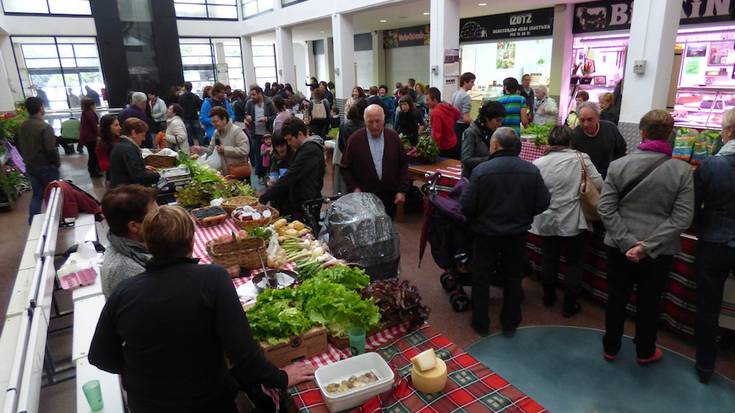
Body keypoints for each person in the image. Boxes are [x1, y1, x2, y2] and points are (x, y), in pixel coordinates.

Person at [89, 205, 316, 413]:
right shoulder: (213, 277)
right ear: (191, 239)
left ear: (146, 243)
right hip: (207, 402)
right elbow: (242, 350)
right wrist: (281, 378)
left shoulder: (124, 292)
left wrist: (149, 372)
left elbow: (100, 357)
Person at [598, 109, 693, 366]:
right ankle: (645, 351)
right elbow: (682, 218)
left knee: (617, 298)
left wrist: (628, 242)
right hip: (658, 252)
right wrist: (646, 246)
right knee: (650, 304)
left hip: (619, 247)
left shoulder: (618, 166)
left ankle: (611, 346)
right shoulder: (682, 171)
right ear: (670, 134)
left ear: (641, 132)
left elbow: (605, 208)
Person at [460, 127, 550, 336]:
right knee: (513, 277)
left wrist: (477, 219)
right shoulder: (531, 170)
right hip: (517, 234)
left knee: (481, 277)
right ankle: (510, 322)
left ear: (495, 145)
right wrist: (525, 215)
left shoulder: (482, 170)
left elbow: (467, 204)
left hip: (486, 233)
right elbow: (543, 202)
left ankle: (480, 322)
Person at [531, 126, 603, 316]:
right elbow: (599, 184)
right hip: (574, 219)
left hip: (546, 218)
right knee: (574, 264)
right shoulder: (581, 158)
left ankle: (548, 297)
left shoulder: (538, 162)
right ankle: (569, 306)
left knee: (549, 259)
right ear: (570, 142)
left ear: (550, 141)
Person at [693, 108, 735, 384]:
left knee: (708, 307)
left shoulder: (711, 165)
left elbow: (694, 207)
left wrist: (700, 227)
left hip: (714, 242)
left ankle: (705, 367)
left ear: (729, 131)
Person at [340, 104, 409, 218]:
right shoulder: (355, 139)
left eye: (378, 121)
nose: (374, 125)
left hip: (389, 196)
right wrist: (354, 188)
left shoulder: (393, 137)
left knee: (386, 230)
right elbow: (345, 167)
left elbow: (403, 164)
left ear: (384, 119)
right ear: (364, 121)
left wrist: (402, 190)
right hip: (364, 198)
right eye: (370, 121)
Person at [259, 117, 325, 219]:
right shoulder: (305, 148)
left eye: (290, 139)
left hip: (308, 202)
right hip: (304, 201)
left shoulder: (309, 150)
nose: (289, 143)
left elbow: (290, 176)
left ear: (299, 134)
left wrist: (264, 198)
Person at [100, 185, 157, 298]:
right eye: (155, 216)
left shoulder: (126, 245)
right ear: (134, 226)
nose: (161, 220)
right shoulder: (129, 271)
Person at [16, 97, 60, 224]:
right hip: (46, 166)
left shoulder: (22, 126)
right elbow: (50, 149)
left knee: (37, 195)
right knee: (53, 195)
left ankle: (34, 222)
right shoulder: (45, 127)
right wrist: (56, 163)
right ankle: (54, 221)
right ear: (41, 108)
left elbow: (18, 145)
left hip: (30, 166)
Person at [572, 101, 627, 178]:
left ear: (598, 117)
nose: (586, 124)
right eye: (582, 120)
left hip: (609, 177)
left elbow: (621, 152)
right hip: (586, 180)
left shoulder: (610, 128)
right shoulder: (575, 134)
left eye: (590, 119)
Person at [193, 107, 250, 178]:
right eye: (212, 122)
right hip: (225, 173)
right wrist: (201, 149)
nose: (213, 124)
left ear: (224, 119)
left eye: (216, 121)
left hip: (239, 171)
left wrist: (225, 149)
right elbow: (210, 150)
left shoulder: (236, 131)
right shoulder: (216, 133)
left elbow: (245, 150)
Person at [109, 118, 160, 188]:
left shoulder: (121, 144)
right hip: (128, 192)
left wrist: (143, 168)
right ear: (133, 133)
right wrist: (158, 174)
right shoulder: (129, 149)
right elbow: (139, 177)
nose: (144, 139)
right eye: (142, 135)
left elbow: (127, 169)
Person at [461, 100, 505, 178]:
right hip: (473, 178)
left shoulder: (493, 132)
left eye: (501, 121)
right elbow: (466, 160)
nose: (500, 124)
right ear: (487, 119)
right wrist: (490, 159)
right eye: (497, 121)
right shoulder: (471, 133)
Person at [245, 86, 277, 178]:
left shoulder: (269, 102)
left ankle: (271, 173)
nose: (252, 97)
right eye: (251, 95)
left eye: (254, 95)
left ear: (260, 93)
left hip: (267, 133)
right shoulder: (249, 103)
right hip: (255, 133)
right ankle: (260, 175)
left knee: (269, 154)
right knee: (258, 154)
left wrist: (267, 119)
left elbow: (275, 115)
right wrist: (247, 118)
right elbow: (246, 114)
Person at [425, 87, 461, 159]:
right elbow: (458, 114)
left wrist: (432, 149)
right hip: (453, 143)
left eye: (427, 100)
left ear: (435, 100)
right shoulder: (447, 105)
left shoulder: (435, 113)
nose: (425, 102)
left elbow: (436, 135)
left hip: (444, 148)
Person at [79, 97, 103, 178]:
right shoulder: (90, 114)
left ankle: (92, 169)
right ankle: (93, 171)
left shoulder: (84, 113)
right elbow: (94, 126)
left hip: (86, 138)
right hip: (91, 138)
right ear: (91, 105)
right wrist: (99, 135)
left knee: (92, 154)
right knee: (93, 155)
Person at [452, 72, 475, 148]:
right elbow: (466, 118)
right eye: (472, 82)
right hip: (462, 127)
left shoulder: (455, 93)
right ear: (465, 82)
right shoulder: (466, 96)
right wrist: (475, 124)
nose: (473, 84)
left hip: (455, 125)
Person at [96, 114, 121, 181]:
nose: (120, 128)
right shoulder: (101, 144)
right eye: (116, 125)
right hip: (113, 176)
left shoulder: (120, 139)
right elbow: (103, 165)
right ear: (107, 127)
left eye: (119, 125)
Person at [179, 82, 203, 146]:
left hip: (185, 118)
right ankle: (202, 146)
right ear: (191, 88)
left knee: (188, 134)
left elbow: (180, 108)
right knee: (199, 134)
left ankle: (192, 147)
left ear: (184, 87)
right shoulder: (195, 97)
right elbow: (200, 105)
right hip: (194, 117)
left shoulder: (181, 97)